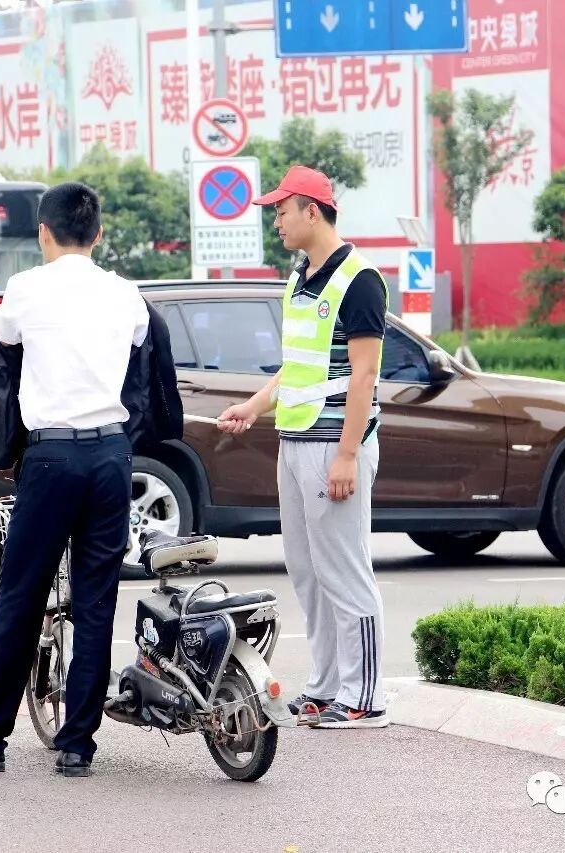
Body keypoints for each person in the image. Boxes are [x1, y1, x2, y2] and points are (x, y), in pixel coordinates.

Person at [0, 182, 151, 777]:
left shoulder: (25, 290)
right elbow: (145, 370)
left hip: (51, 459)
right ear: (99, 234)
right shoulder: (127, 293)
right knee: (96, 602)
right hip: (111, 456)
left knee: (21, 599)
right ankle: (77, 746)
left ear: (43, 232)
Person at [217, 165, 390, 729]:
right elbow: (297, 367)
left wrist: (347, 455)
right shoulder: (299, 278)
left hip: (333, 446)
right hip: (294, 440)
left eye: (282, 210)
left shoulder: (360, 280)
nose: (277, 222)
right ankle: (325, 686)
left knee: (345, 568)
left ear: (312, 211)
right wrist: (255, 405)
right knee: (308, 570)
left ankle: (364, 698)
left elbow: (364, 375)